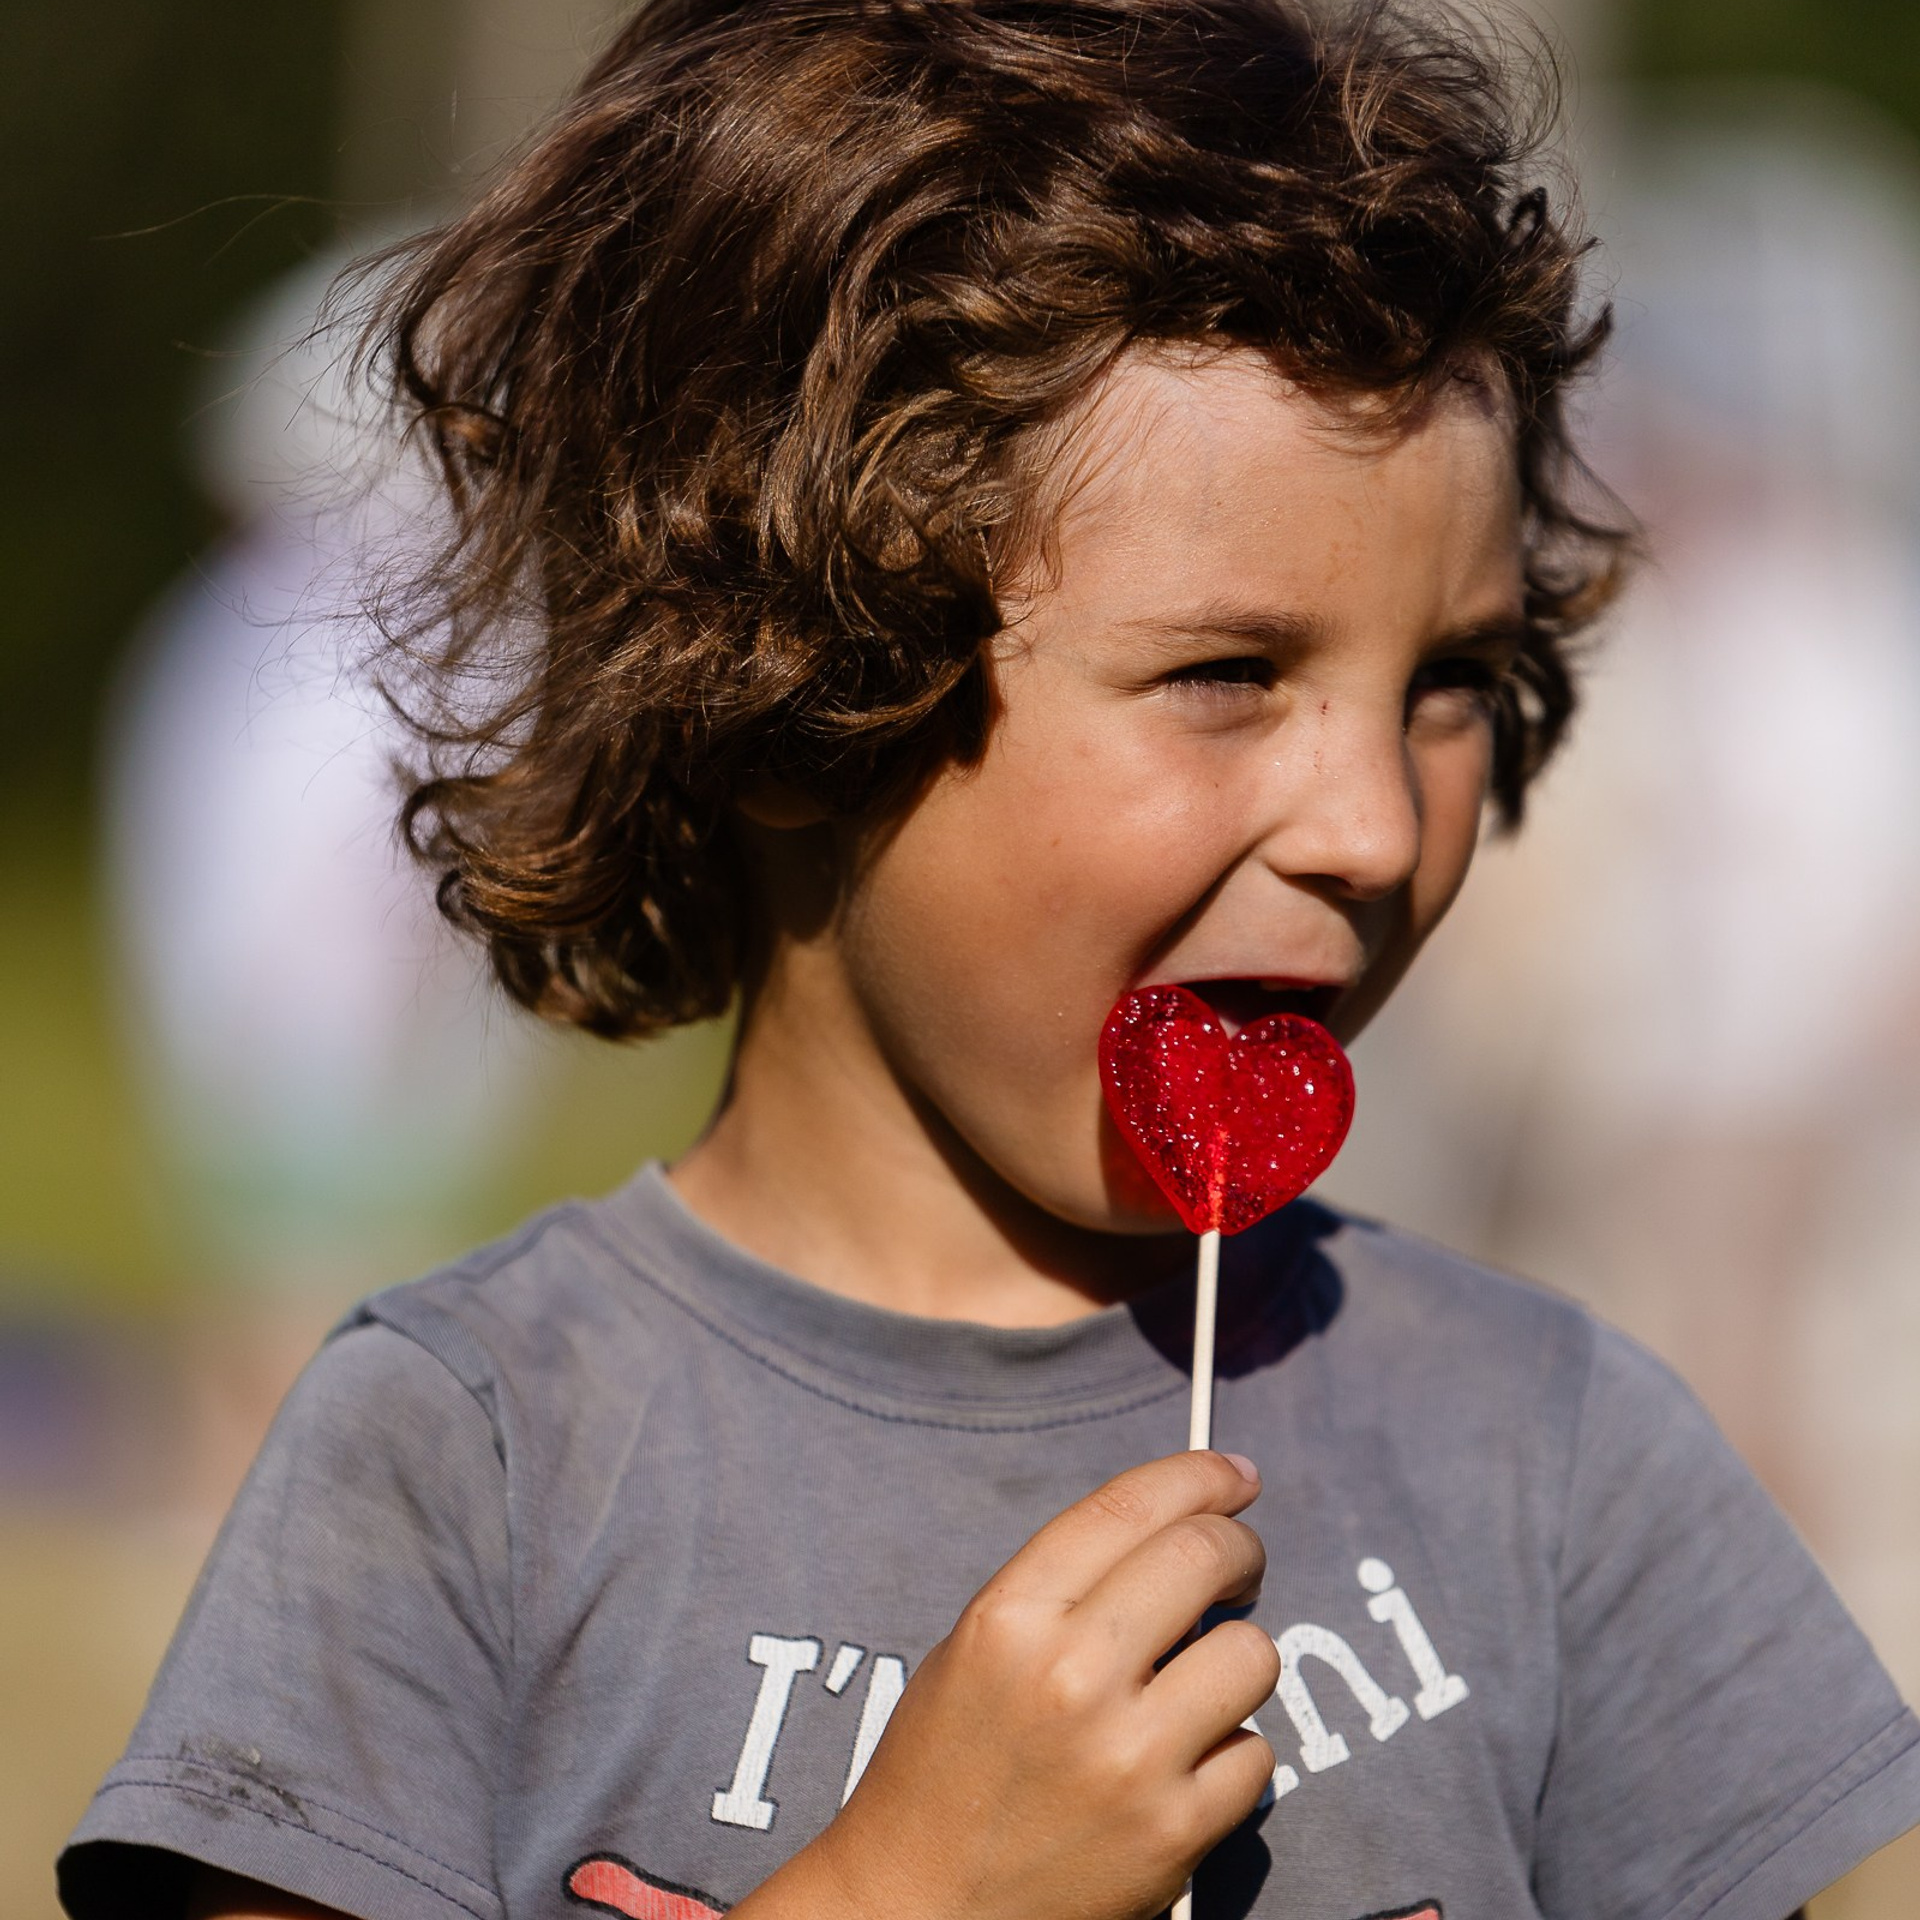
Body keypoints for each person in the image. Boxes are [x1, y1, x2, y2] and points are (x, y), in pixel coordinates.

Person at [58, 4, 1920, 1919]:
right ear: (787, 695)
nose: (1372, 822)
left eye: (1446, 681)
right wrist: (908, 1892)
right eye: (1227, 675)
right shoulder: (468, 1460)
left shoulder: (1558, 1453)